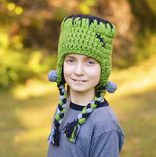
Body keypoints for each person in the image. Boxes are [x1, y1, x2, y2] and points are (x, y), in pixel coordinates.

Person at [47, 14, 124, 157]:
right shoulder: (63, 109)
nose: (78, 71)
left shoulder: (104, 125)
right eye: (71, 60)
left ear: (103, 70)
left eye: (90, 62)